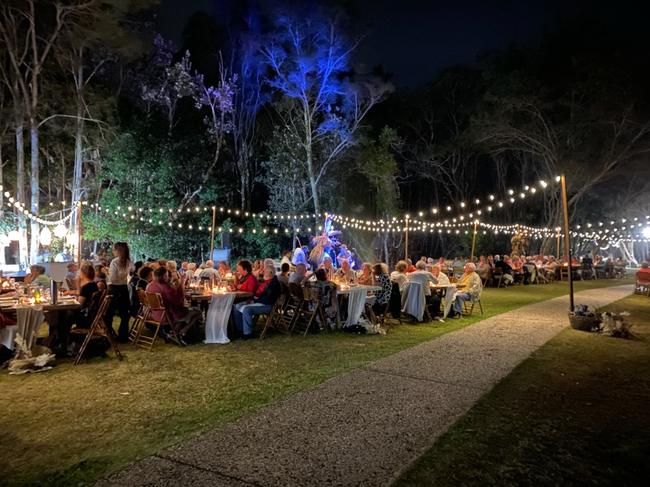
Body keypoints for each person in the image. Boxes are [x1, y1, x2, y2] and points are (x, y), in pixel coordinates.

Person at [146, 267, 202, 345]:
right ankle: (182, 331)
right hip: (167, 316)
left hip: (155, 314)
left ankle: (175, 331)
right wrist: (181, 283)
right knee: (198, 312)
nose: (168, 277)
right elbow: (178, 302)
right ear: (164, 276)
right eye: (167, 275)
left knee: (191, 311)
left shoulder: (150, 285)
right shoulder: (165, 287)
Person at [233, 266, 281, 339]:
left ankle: (248, 334)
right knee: (237, 306)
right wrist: (253, 300)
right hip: (259, 302)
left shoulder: (274, 284)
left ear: (270, 273)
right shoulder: (266, 281)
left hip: (267, 305)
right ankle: (240, 330)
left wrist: (255, 300)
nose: (263, 272)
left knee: (247, 309)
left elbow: (268, 299)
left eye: (265, 271)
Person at [104, 242, 133, 342]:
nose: (113, 252)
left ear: (118, 250)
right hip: (124, 288)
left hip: (114, 289)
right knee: (125, 313)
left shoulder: (115, 262)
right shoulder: (128, 261)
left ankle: (108, 334)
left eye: (114, 250)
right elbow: (131, 272)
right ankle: (123, 335)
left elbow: (112, 279)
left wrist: (106, 273)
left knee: (109, 313)